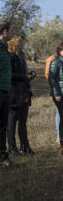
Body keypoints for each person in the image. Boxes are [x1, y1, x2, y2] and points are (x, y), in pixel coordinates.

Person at [7, 35, 36, 156]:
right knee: (12, 122)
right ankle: (12, 148)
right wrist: (24, 77)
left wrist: (29, 75)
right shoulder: (10, 56)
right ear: (16, 43)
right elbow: (9, 74)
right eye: (21, 42)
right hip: (14, 93)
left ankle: (25, 147)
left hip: (24, 92)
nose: (23, 44)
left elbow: (22, 72)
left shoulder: (22, 55)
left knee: (23, 122)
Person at [0, 21, 14, 167]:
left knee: (3, 125)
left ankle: (3, 157)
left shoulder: (5, 49)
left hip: (6, 90)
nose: (12, 34)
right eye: (11, 31)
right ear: (4, 32)